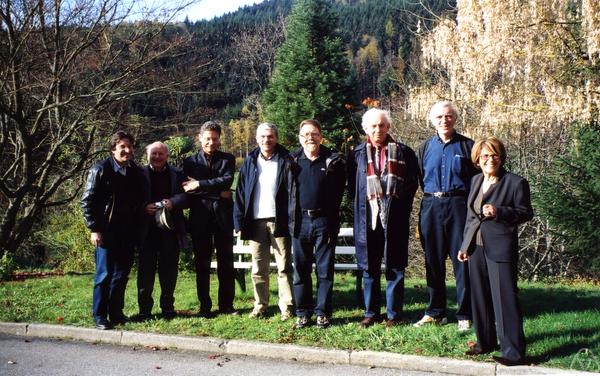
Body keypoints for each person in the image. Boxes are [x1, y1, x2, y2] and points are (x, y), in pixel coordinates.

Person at [458, 137, 533, 366]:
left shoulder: (515, 182)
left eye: (495, 155)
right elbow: (471, 217)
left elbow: (525, 212)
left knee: (504, 299)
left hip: (500, 247)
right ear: (477, 160)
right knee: (479, 297)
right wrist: (464, 246)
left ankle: (513, 353)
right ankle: (485, 343)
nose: (490, 160)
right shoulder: (475, 181)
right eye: (485, 156)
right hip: (476, 248)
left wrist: (499, 211)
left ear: (501, 158)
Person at [347, 108, 418, 327]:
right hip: (368, 216)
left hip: (394, 215)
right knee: (369, 265)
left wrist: (397, 206)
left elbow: (412, 183)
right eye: (373, 126)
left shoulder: (404, 152)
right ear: (365, 128)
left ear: (388, 127)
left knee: (395, 265)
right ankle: (370, 312)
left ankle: (393, 314)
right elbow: (353, 187)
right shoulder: (356, 154)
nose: (378, 129)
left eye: (382, 125)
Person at [414, 101, 477, 331]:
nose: (444, 120)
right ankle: (435, 312)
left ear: (455, 119)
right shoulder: (423, 148)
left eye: (449, 116)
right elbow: (420, 178)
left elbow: (477, 181)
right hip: (431, 205)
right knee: (433, 262)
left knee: (463, 261)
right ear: (432, 120)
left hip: (459, 205)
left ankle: (465, 313)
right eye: (439, 117)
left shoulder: (469, 146)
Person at [81, 131, 143, 330]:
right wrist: (94, 229)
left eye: (130, 146)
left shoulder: (133, 171)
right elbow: (87, 202)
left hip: (127, 231)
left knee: (121, 274)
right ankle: (99, 315)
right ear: (113, 149)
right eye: (123, 146)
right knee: (104, 275)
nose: (127, 150)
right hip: (105, 231)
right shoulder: (99, 170)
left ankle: (116, 313)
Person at [233, 122, 294, 321]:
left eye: (270, 136)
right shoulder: (249, 162)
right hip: (255, 222)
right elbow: (240, 194)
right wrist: (238, 221)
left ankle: (287, 306)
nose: (266, 140)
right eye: (263, 137)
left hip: (280, 221)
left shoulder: (287, 160)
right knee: (259, 268)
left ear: (276, 138)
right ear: (257, 139)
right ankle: (260, 305)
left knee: (284, 267)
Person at [288, 119, 346, 329]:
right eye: (305, 135)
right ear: (300, 138)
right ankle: (303, 313)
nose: (309, 138)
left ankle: (323, 313)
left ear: (321, 136)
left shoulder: (333, 161)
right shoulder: (292, 160)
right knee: (301, 271)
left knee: (324, 270)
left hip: (324, 222)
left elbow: (340, 193)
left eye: (314, 134)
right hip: (299, 221)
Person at [182, 121, 236, 317]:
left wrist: (200, 185)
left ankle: (226, 306)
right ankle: (204, 307)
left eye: (215, 139)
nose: (211, 142)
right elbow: (188, 189)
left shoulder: (228, 159)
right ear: (200, 137)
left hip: (223, 218)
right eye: (207, 139)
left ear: (219, 139)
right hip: (200, 218)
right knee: (202, 265)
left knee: (226, 264)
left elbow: (227, 181)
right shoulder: (190, 162)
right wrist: (217, 191)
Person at [137, 142, 187, 320]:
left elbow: (187, 196)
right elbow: (130, 198)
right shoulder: (138, 173)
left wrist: (174, 202)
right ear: (147, 155)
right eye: (154, 153)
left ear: (167, 156)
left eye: (160, 154)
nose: (157, 157)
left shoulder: (177, 173)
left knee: (169, 271)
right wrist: (143, 207)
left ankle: (168, 308)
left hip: (170, 230)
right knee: (145, 272)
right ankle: (144, 310)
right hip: (146, 231)